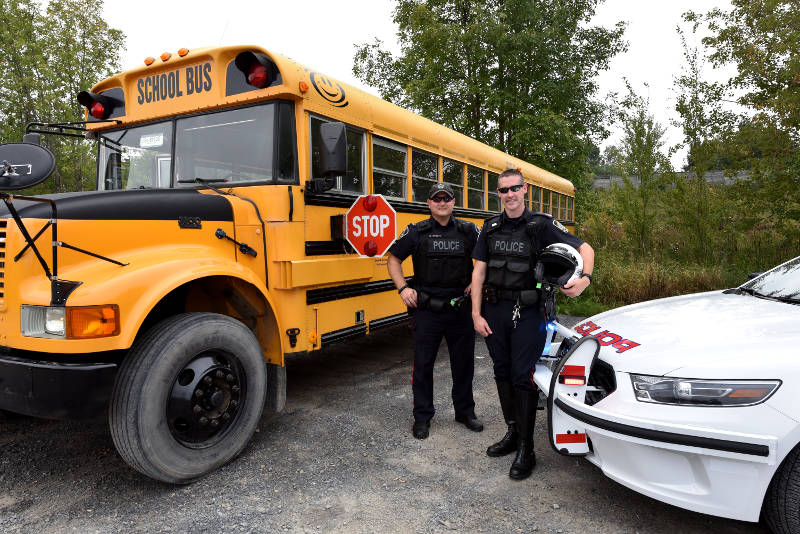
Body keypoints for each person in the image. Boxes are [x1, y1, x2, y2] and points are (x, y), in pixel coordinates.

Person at [470, 169, 594, 480]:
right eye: (503, 190)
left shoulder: (540, 224)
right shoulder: (490, 227)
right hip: (494, 309)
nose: (509, 195)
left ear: (525, 190)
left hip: (527, 312)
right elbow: (478, 273)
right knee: (501, 373)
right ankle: (512, 433)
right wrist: (475, 314)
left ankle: (527, 448)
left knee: (521, 376)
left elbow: (585, 249)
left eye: (514, 189)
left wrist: (584, 279)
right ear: (497, 194)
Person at [387, 182, 483, 440]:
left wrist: (475, 282)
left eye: (447, 198)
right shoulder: (416, 232)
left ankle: (465, 412)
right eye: (436, 198)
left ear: (454, 202)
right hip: (426, 310)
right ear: (429, 203)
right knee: (423, 366)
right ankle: (422, 417)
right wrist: (403, 288)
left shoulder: (468, 231)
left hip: (459, 310)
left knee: (463, 365)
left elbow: (485, 260)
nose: (442, 202)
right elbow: (393, 259)